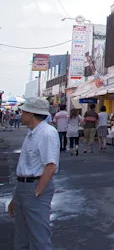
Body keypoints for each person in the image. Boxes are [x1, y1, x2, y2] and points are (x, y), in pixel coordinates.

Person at [8, 97, 60, 250]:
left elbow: (50, 166)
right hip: (25, 186)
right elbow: (25, 167)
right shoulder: (32, 133)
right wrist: (16, 197)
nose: (21, 114)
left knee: (39, 237)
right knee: (22, 236)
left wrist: (37, 192)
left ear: (31, 114)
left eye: (23, 111)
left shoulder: (47, 133)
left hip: (34, 187)